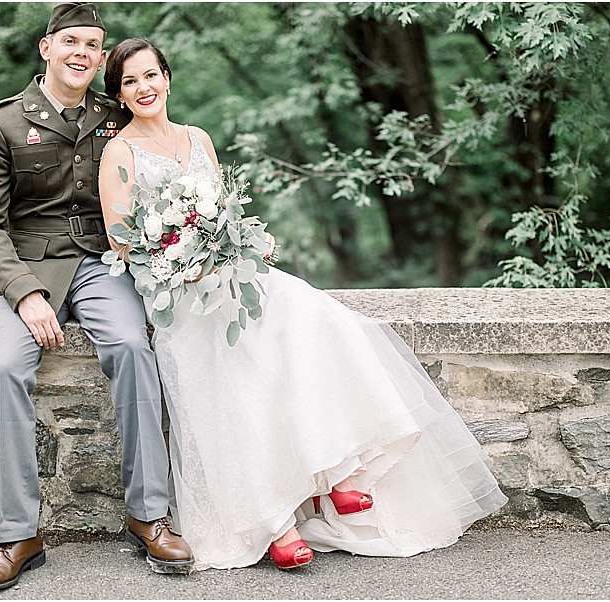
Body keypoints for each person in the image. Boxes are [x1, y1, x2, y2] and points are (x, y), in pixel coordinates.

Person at [98, 37, 508, 571]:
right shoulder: (119, 152)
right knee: (237, 373)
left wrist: (243, 240)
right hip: (179, 294)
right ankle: (275, 523)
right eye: (129, 81)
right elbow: (121, 239)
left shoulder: (198, 138)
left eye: (150, 75)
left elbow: (222, 211)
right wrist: (185, 258)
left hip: (232, 277)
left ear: (168, 78)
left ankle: (337, 470)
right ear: (120, 94)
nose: (143, 87)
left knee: (322, 319)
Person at [0, 6, 194, 591]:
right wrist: (23, 294)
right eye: (71, 41)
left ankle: (148, 514)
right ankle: (19, 534)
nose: (83, 53)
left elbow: (163, 166)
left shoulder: (115, 113)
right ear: (47, 48)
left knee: (130, 345)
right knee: (4, 368)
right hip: (29, 268)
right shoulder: (4, 123)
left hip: (101, 262)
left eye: (93, 45)